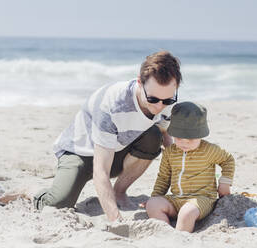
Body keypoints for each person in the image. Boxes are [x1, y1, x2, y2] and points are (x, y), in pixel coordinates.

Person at [33, 51, 182, 222]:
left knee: (153, 136)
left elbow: (165, 135)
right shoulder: (113, 104)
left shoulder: (167, 98)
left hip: (117, 149)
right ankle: (30, 189)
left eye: (167, 100)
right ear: (139, 83)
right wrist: (116, 220)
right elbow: (100, 170)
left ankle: (119, 192)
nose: (160, 106)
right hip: (80, 152)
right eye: (153, 99)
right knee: (59, 203)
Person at [145, 101, 235, 232]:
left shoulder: (208, 150)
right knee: (152, 204)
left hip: (201, 200)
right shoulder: (170, 152)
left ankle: (180, 238)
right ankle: (166, 233)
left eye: (191, 139)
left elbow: (228, 160)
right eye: (179, 138)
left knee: (186, 213)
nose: (185, 143)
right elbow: (164, 178)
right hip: (176, 200)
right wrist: (156, 196)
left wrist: (225, 183)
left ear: (200, 135)